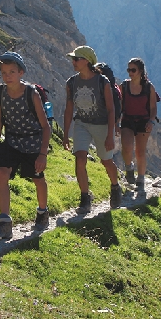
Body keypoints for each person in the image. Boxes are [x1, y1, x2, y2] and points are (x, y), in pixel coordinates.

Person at [0, 51, 51, 239]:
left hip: (33, 143)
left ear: (21, 72)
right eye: (4, 72)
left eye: (12, 72)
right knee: (2, 173)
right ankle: (4, 222)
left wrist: (42, 155)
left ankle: (42, 212)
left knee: (37, 179)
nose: (7, 76)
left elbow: (46, 127)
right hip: (12, 141)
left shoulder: (32, 94)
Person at [63, 46, 122, 211]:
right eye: (73, 59)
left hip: (101, 125)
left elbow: (111, 110)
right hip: (82, 123)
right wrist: (66, 134)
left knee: (106, 161)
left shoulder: (102, 82)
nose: (73, 62)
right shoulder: (71, 82)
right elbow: (68, 109)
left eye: (76, 59)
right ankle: (85, 197)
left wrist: (110, 136)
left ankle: (115, 186)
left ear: (87, 61)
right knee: (80, 158)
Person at [120, 57, 158, 191]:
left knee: (140, 151)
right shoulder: (124, 86)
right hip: (127, 120)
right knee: (126, 147)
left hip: (143, 121)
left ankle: (141, 178)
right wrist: (115, 122)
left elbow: (153, 107)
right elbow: (119, 105)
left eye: (133, 70)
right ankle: (129, 167)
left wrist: (151, 121)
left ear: (140, 71)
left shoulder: (149, 88)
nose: (130, 72)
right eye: (128, 69)